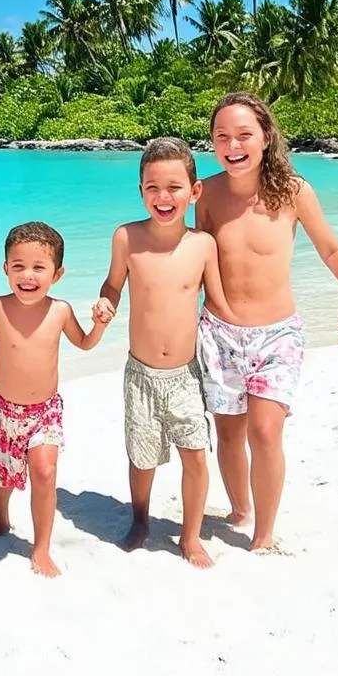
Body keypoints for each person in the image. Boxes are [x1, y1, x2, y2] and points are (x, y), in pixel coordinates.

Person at [197, 91, 338, 552]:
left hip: (278, 335)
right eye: (221, 137)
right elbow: (195, 261)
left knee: (266, 429)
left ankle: (264, 533)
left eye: (243, 135)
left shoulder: (294, 191)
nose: (232, 145)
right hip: (218, 332)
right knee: (229, 433)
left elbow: (329, 247)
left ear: (266, 136)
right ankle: (238, 509)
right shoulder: (207, 194)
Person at [93, 137, 233, 568]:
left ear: (194, 192)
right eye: (152, 187)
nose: (163, 196)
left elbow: (218, 302)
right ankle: (140, 520)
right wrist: (106, 303)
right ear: (141, 192)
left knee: (195, 455)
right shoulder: (127, 237)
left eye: (174, 187)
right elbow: (113, 284)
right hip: (140, 373)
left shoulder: (203, 245)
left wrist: (243, 343)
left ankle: (190, 537)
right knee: (142, 457)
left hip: (187, 375)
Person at [0, 222, 107, 577]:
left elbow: (84, 343)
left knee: (44, 471)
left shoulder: (60, 311)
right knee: (4, 475)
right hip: (4, 409)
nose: (28, 275)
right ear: (5, 269)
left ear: (57, 274)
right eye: (18, 265)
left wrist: (99, 325)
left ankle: (40, 548)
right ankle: (0, 519)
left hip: (45, 411)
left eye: (39, 267)